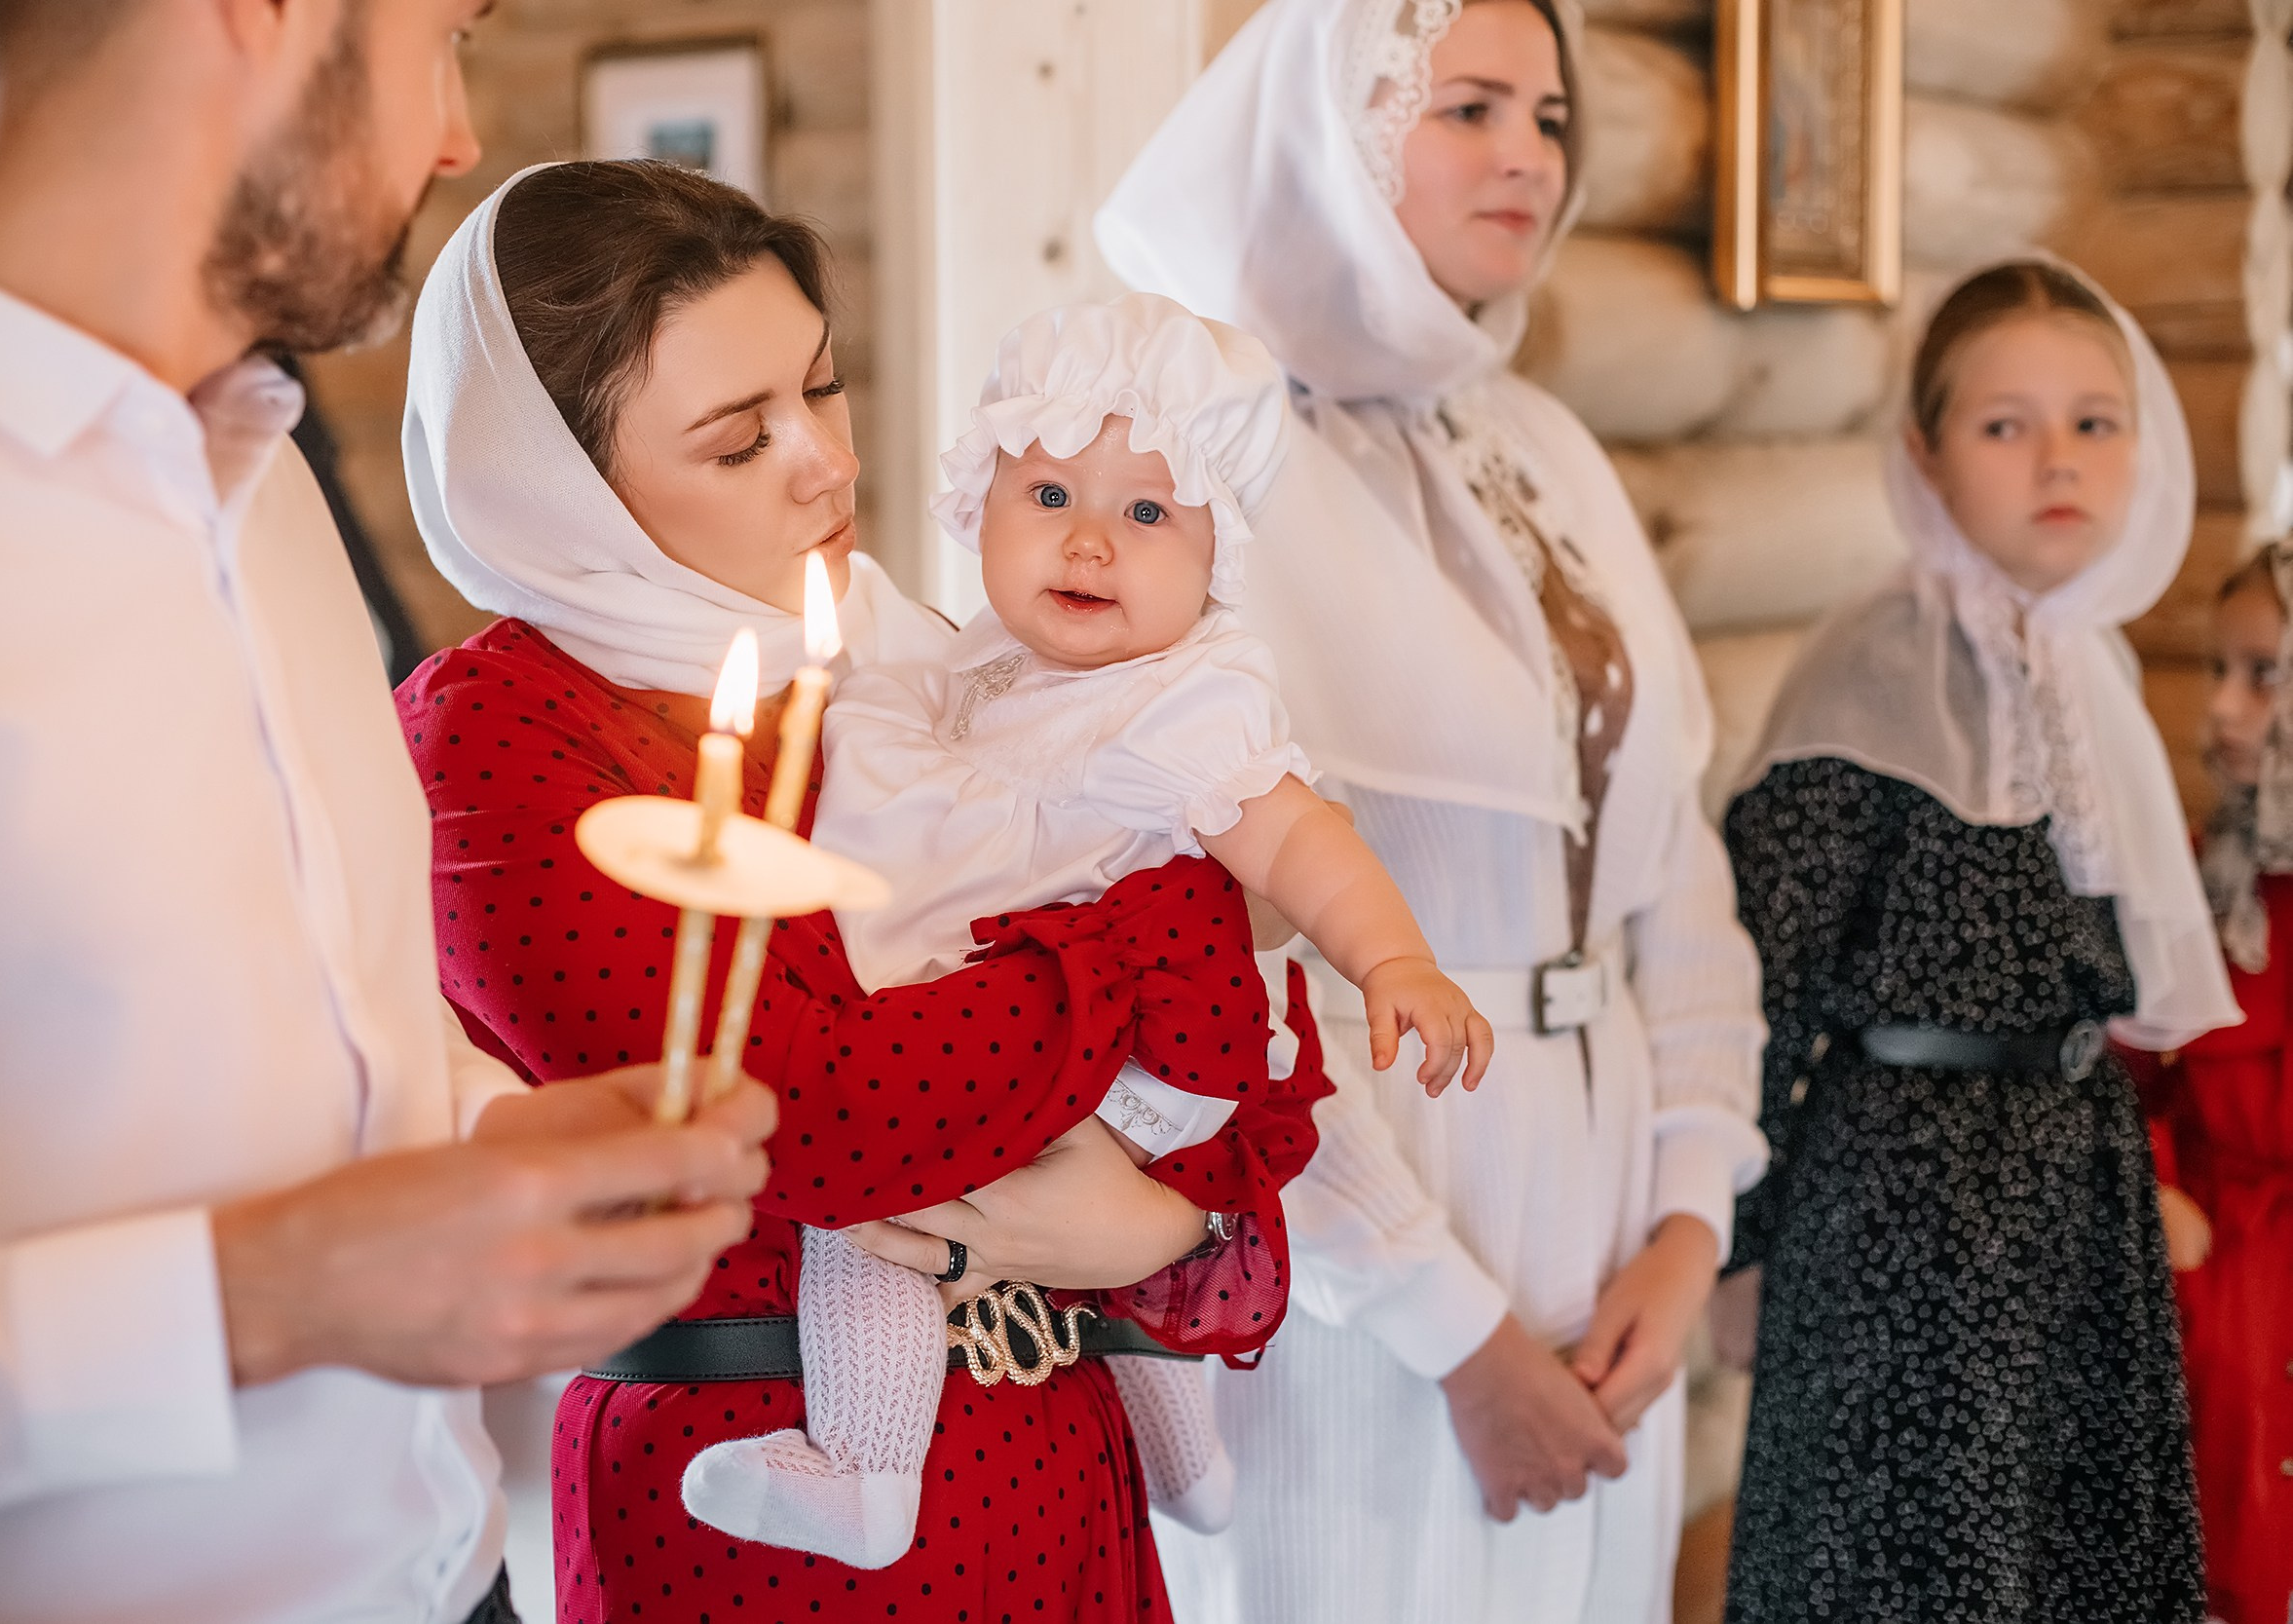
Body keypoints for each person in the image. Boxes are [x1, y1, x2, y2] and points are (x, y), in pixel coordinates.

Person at [0, 4, 772, 1623]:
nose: (457, 139)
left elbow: (311, 1003)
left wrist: (486, 1134)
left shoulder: (264, 470)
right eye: (444, 39)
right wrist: (258, 1298)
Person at [397, 159, 1331, 1623]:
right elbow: (814, 1112)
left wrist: (1154, 1230)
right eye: (737, 439)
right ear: (562, 486)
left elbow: (1219, 1087)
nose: (827, 463)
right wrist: (1166, 927)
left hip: (1060, 1468)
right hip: (757, 1516)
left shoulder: (928, 660)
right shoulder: (504, 731)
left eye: (822, 389)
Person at [1094, 1, 1770, 1618]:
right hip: (1362, 1242)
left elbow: (1672, 873)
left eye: (1550, 117)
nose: (1530, 157)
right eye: (1470, 107)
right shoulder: (1201, 469)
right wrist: (1450, 1329)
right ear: (1336, 130)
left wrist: (1688, 1220)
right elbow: (1213, 971)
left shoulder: (1543, 449)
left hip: (1610, 1211)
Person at [680, 291, 1495, 1567]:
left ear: (1217, 553)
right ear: (981, 500)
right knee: (1075, 1231)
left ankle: (866, 1469)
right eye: (1050, 494)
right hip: (1073, 1042)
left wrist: (1394, 958)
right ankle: (1189, 1458)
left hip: (1120, 1045)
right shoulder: (972, 670)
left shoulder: (1188, 694)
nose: (1090, 541)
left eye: (1147, 513)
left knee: (873, 1186)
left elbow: (1298, 838)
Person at [1722, 259, 2231, 1622]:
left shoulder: (2089, 668)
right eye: (2005, 425)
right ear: (1926, 455)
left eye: (2092, 421)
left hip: (2077, 1184)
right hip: (1906, 1206)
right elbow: (1764, 984)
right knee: (1911, 1559)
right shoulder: (1872, 666)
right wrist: (1735, 1243)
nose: (2057, 458)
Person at [2124, 542, 2293, 1624]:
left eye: (2263, 674)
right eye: (2217, 669)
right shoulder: (2189, 880)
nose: (2223, 706)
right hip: (2216, 1305)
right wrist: (2151, 1183)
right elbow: (2118, 1075)